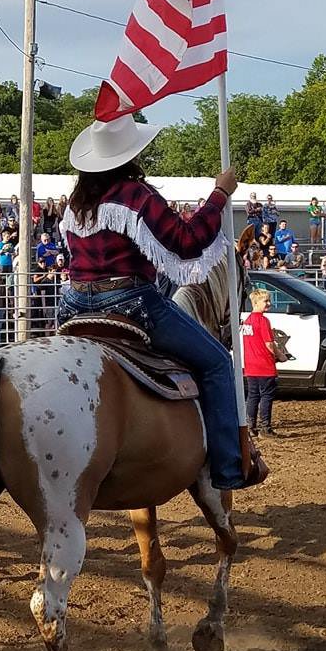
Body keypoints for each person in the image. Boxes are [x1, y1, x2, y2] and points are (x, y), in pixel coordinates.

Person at [58, 116, 266, 491]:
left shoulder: (76, 203)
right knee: (218, 362)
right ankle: (230, 468)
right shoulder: (135, 196)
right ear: (131, 155)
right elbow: (187, 242)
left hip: (73, 306)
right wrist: (219, 195)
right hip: (129, 302)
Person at [239, 286, 280, 437]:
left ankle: (250, 426)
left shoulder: (247, 321)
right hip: (264, 365)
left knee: (253, 396)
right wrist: (280, 355)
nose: (268, 304)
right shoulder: (263, 321)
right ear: (256, 302)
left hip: (251, 365)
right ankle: (265, 428)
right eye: (266, 301)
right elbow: (269, 344)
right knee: (267, 396)